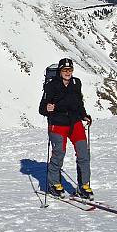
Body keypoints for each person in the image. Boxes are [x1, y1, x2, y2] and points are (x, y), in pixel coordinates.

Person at [39, 58, 93, 199]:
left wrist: (84, 115)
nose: (67, 73)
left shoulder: (76, 83)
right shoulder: (51, 86)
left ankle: (84, 186)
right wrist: (47, 108)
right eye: (64, 70)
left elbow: (79, 103)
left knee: (83, 154)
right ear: (60, 71)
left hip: (75, 122)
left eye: (70, 70)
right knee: (59, 154)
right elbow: (42, 108)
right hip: (58, 123)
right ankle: (54, 184)